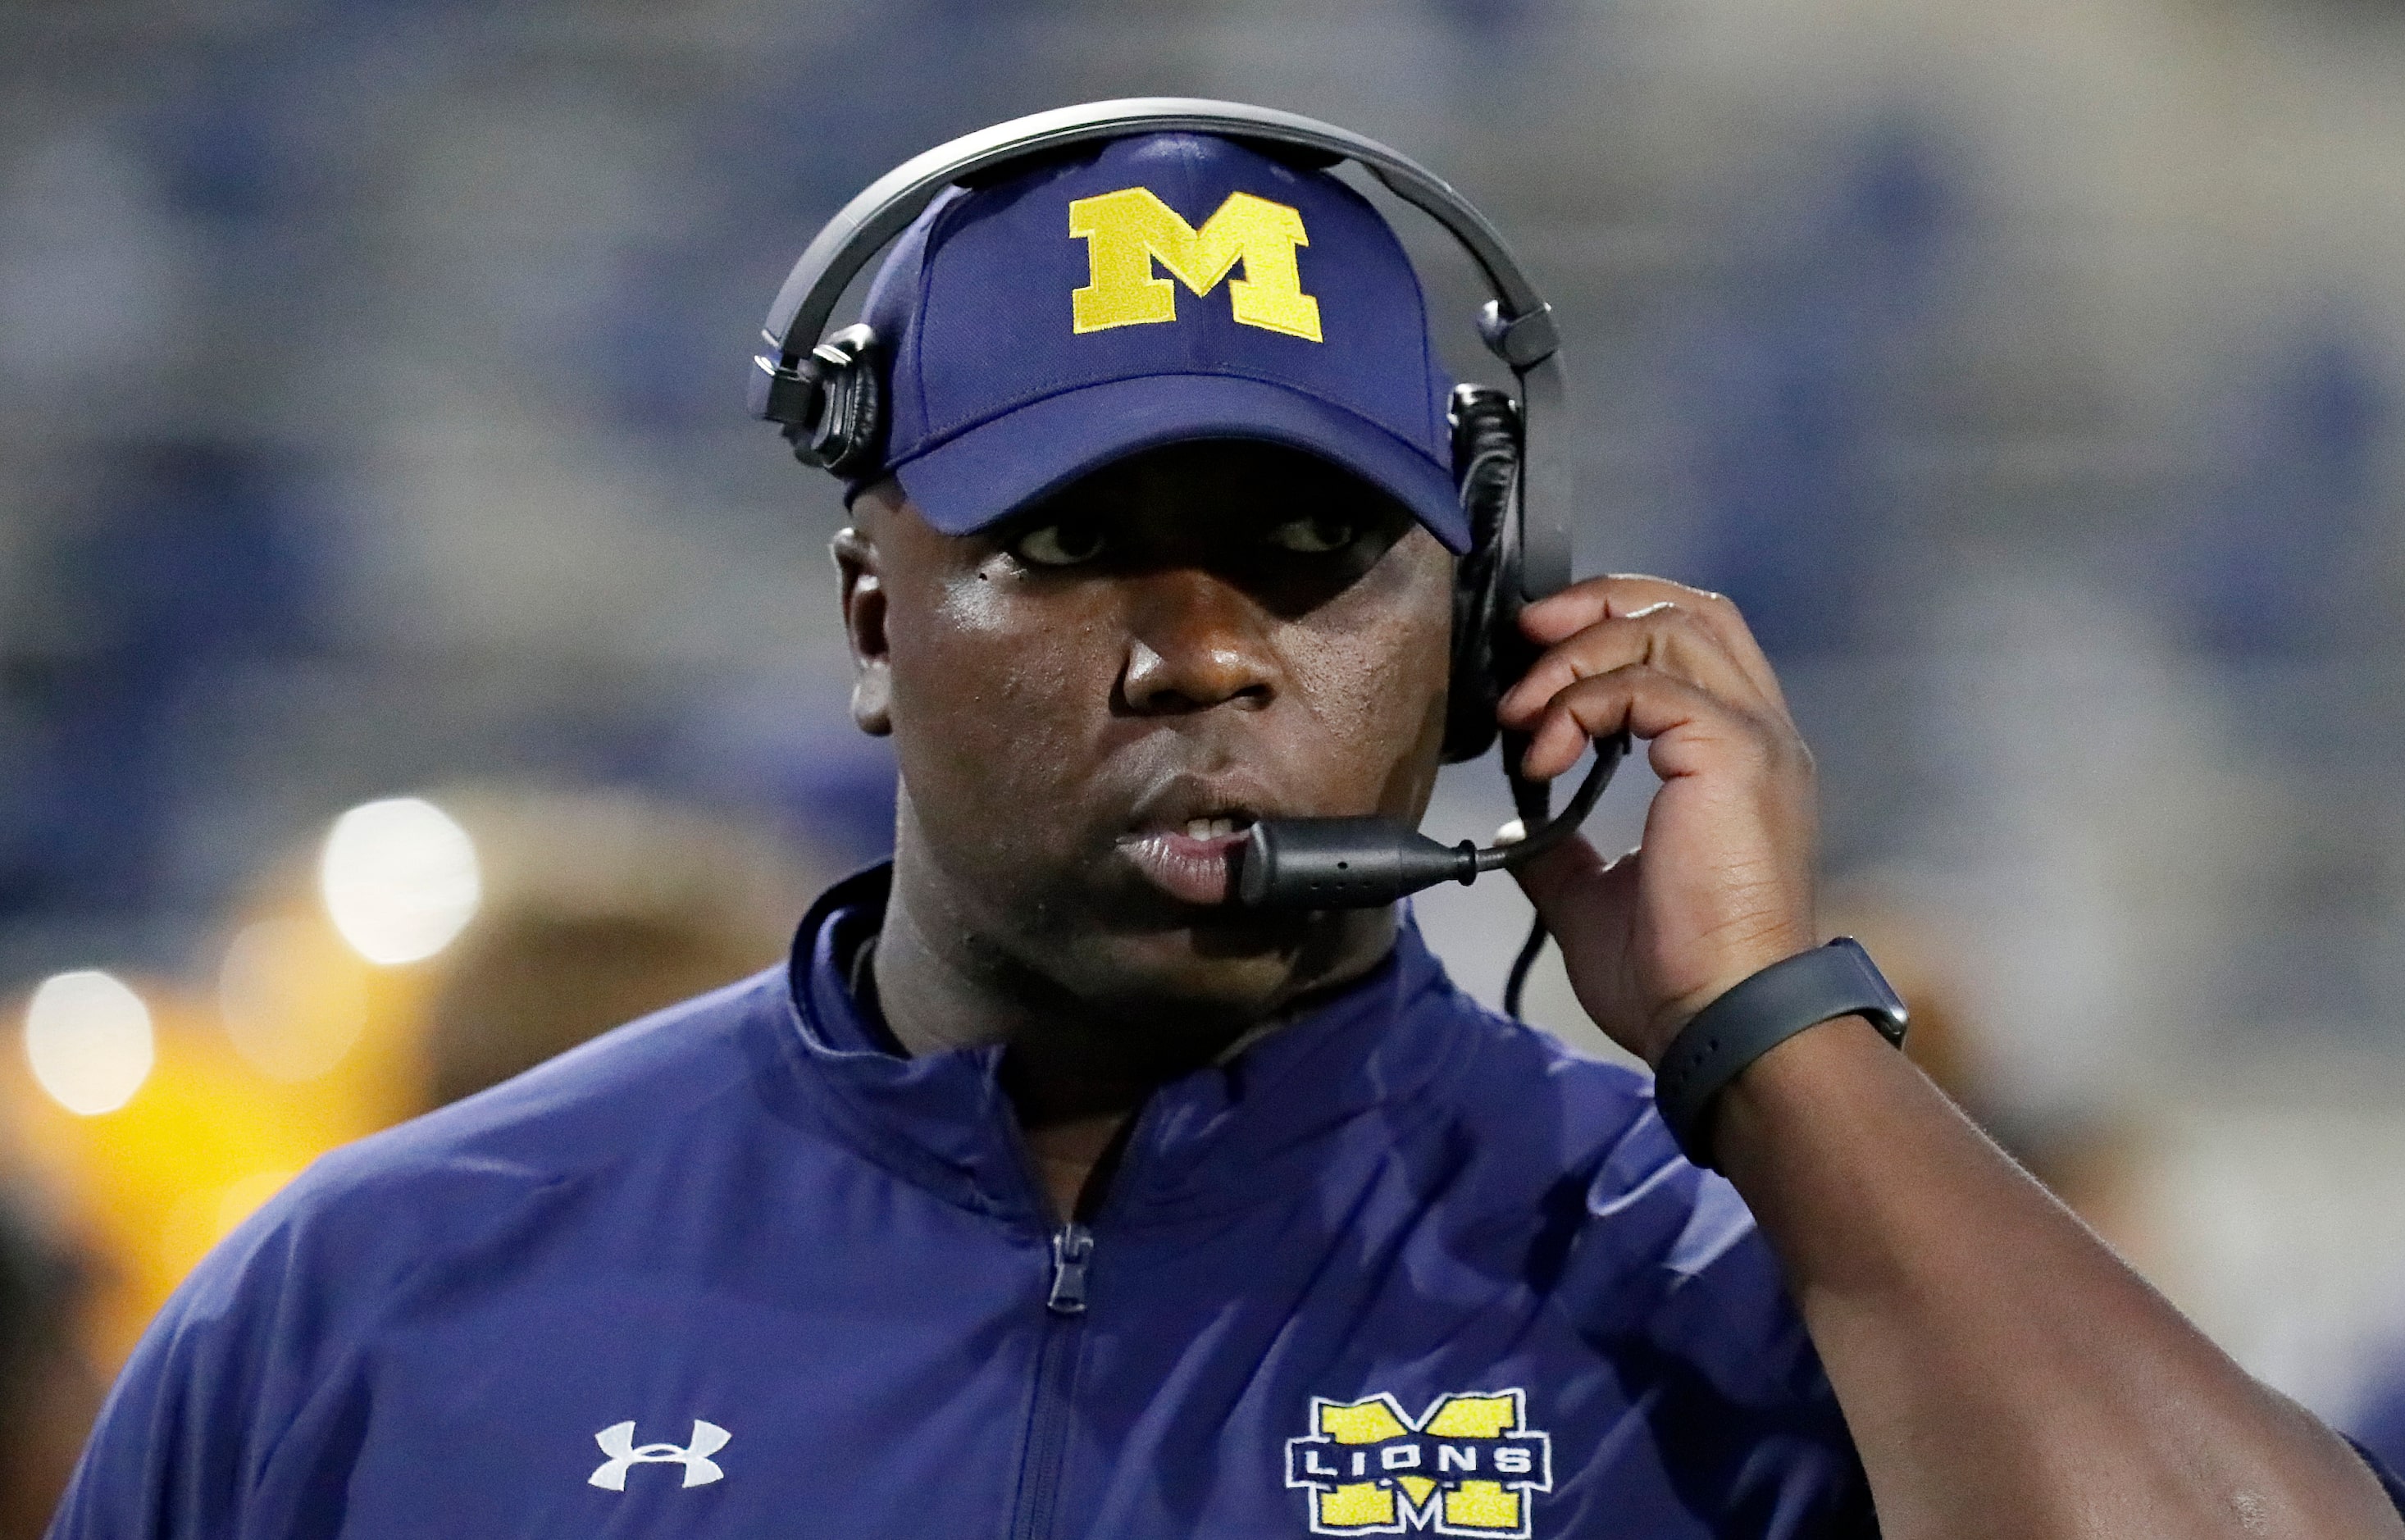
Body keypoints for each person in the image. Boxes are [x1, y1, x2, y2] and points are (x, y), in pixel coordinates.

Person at [50, 125, 2405, 1539]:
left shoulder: (1706, 1292)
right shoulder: (377, 1297)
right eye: (1076, 545)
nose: (1203, 649)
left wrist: (1770, 1029)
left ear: (1488, 643)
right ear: (870, 610)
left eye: (1308, 553)